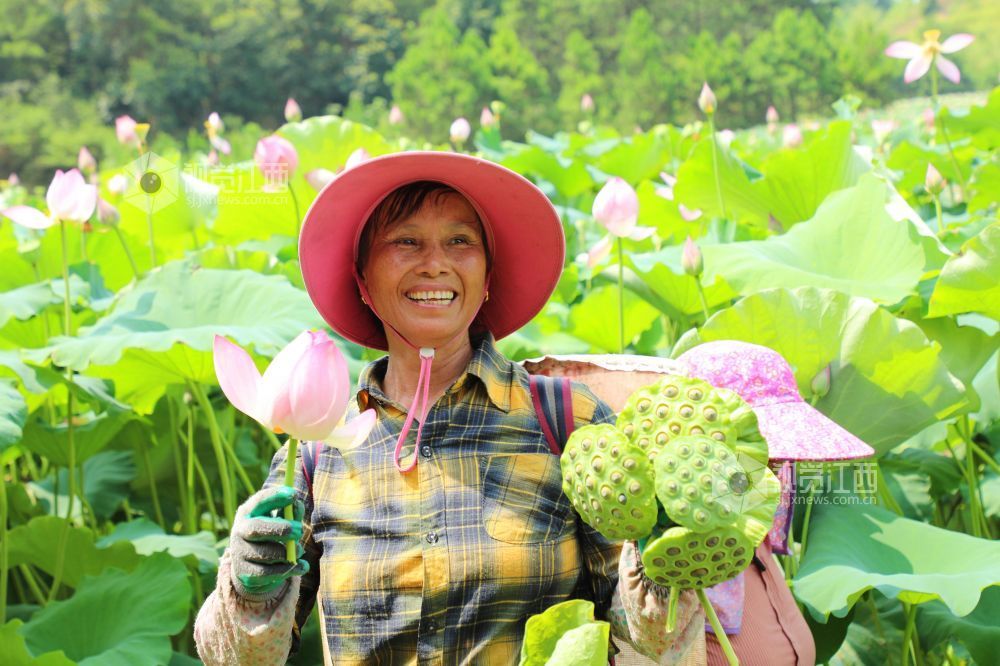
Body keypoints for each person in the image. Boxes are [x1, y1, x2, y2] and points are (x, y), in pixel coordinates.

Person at [194, 151, 703, 665]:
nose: (435, 262)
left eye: (460, 241)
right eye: (406, 241)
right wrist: (249, 588)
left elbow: (651, 639)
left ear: (486, 281)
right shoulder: (318, 446)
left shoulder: (568, 421)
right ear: (363, 283)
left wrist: (666, 552)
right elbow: (235, 658)